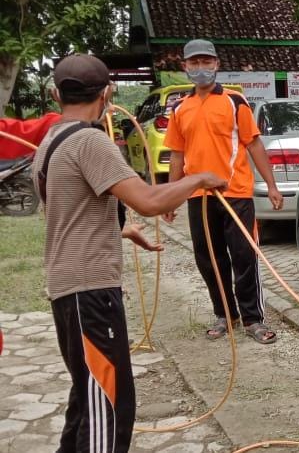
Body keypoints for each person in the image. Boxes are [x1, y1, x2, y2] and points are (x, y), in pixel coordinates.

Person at [34, 54, 226, 453]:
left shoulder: (51, 140)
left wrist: (121, 230)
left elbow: (66, 213)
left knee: (86, 400)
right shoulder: (90, 141)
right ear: (107, 94)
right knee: (110, 407)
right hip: (90, 291)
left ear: (56, 94)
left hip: (68, 288)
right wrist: (199, 178)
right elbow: (150, 200)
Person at [162, 39, 283, 344]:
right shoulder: (180, 109)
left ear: (216, 64)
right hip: (197, 197)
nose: (200, 69)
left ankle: (253, 319)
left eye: (206, 62)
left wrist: (271, 185)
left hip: (235, 193)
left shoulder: (235, 102)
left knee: (244, 256)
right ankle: (224, 315)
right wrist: (171, 195)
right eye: (194, 63)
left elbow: (253, 143)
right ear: (185, 67)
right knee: (209, 259)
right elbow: (177, 155)